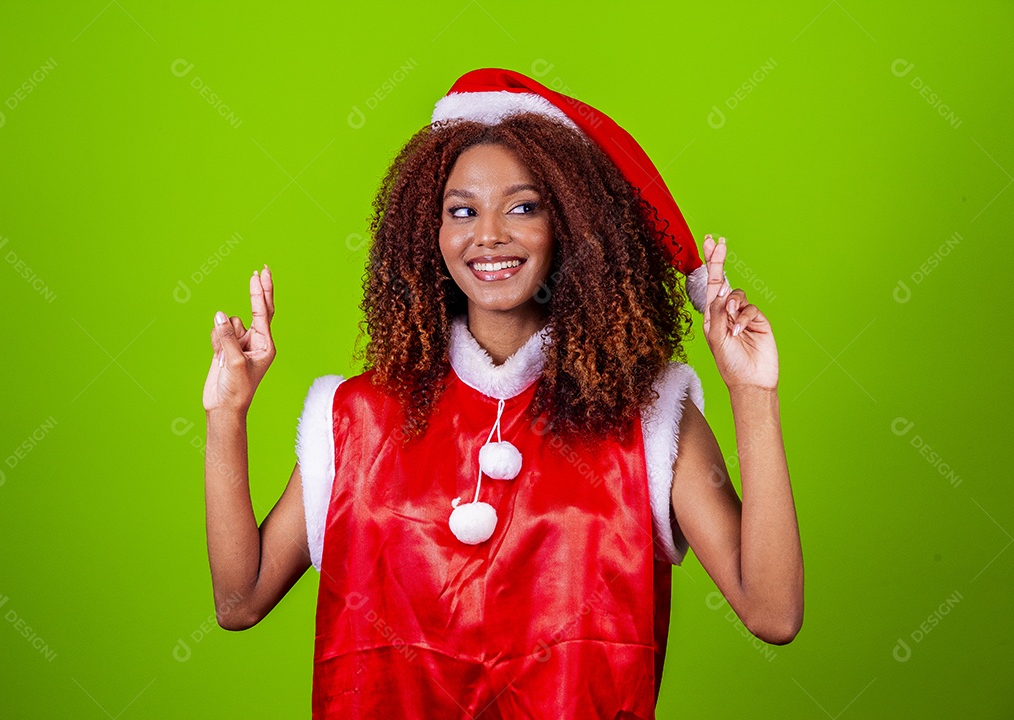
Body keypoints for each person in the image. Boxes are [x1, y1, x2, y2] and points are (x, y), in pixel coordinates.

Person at [203, 68, 803, 718]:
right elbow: (241, 602)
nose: (488, 234)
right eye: (462, 210)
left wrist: (752, 392)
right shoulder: (358, 416)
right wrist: (226, 415)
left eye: (523, 207)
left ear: (570, 224)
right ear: (429, 232)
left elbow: (772, 612)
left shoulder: (649, 417)